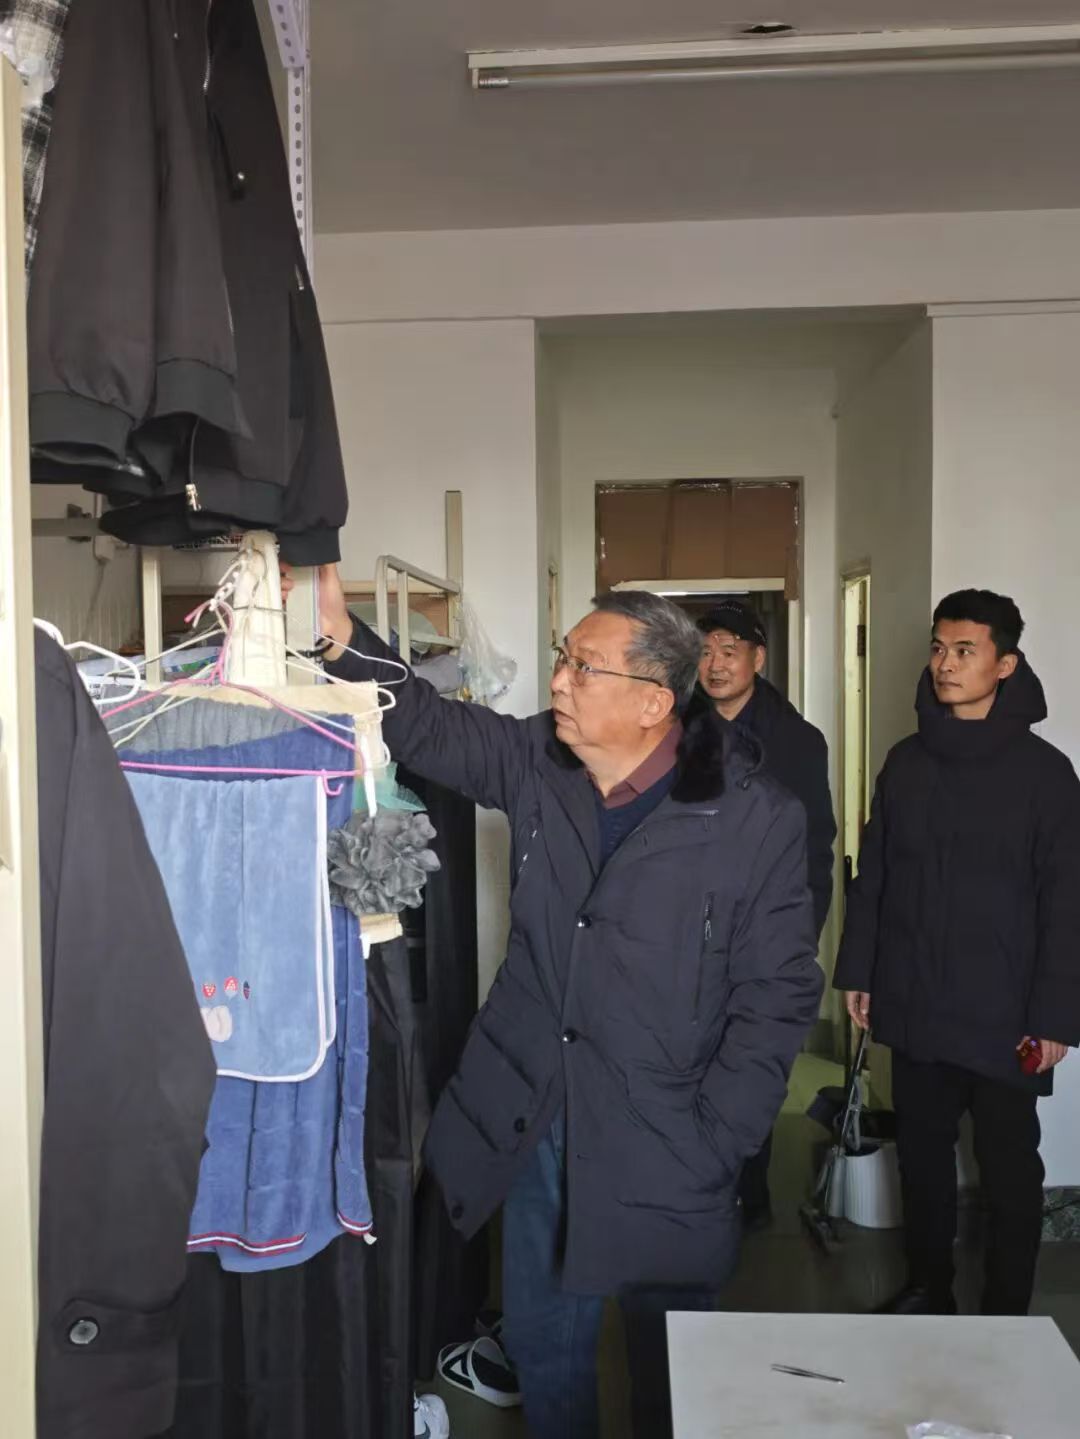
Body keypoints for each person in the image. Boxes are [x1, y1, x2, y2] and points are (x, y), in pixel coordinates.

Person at [298, 565, 823, 1439]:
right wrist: (344, 637)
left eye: (584, 666)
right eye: (562, 657)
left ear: (654, 701)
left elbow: (778, 995)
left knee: (672, 1365)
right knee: (547, 1350)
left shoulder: (752, 819)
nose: (559, 680)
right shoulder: (543, 761)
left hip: (668, 1130)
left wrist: (718, 1136)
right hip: (538, 1114)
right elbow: (428, 724)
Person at [835, 589, 1080, 1317]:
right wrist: (861, 970)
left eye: (965, 651)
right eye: (939, 648)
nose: (945, 663)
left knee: (1009, 1167)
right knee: (922, 1157)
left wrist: (1055, 1019)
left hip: (1009, 1014)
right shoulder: (907, 762)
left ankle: (1007, 1310)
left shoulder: (1046, 774)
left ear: (1005, 664)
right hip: (916, 998)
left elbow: (1067, 903)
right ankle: (928, 1289)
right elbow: (875, 874)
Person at [695, 600, 836, 1228]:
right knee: (688, 1059)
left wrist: (799, 936)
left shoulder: (797, 742)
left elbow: (815, 847)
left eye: (730, 651)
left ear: (758, 657)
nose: (716, 664)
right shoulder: (670, 729)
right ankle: (697, 1193)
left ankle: (749, 1196)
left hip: (764, 932)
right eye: (705, 651)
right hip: (688, 929)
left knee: (751, 1062)